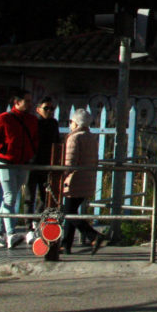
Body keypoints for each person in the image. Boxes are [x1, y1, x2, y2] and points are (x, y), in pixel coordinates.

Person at [0, 89, 39, 248]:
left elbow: (35, 139)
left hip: (22, 162)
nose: (29, 104)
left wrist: (30, 152)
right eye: (26, 101)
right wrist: (4, 150)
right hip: (6, 162)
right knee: (9, 196)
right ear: (17, 102)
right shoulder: (4, 119)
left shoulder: (31, 120)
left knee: (11, 196)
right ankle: (10, 233)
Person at [60, 109, 108, 255]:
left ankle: (94, 236)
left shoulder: (74, 138)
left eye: (71, 122)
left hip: (74, 181)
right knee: (71, 212)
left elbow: (70, 162)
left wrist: (62, 175)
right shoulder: (91, 138)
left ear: (75, 122)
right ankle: (65, 245)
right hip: (87, 180)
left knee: (67, 212)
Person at [26, 97, 62, 221]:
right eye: (46, 108)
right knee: (29, 196)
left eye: (52, 108)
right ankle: (28, 223)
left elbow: (57, 142)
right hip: (32, 163)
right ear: (38, 109)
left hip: (47, 164)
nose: (49, 111)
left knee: (45, 196)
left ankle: (37, 219)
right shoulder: (34, 123)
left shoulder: (53, 123)